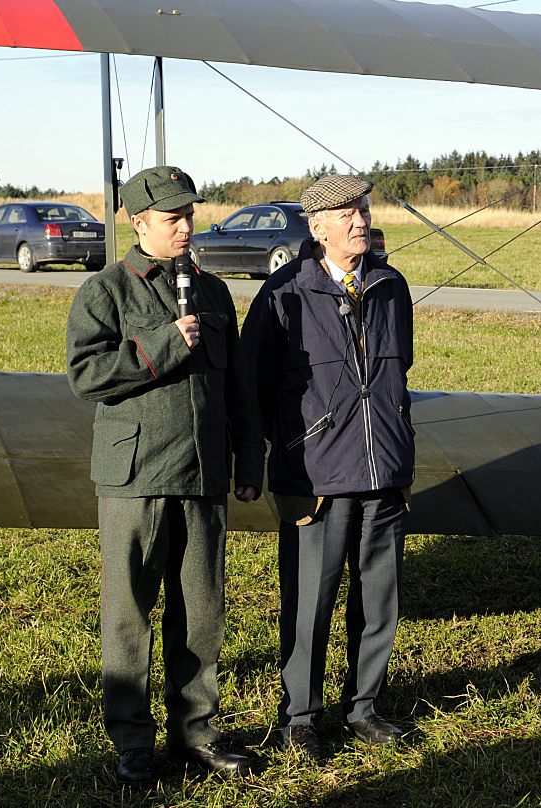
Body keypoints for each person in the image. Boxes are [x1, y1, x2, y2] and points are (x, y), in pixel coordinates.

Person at [66, 166, 264, 786]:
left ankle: (196, 733)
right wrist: (162, 344)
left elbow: (236, 387)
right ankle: (132, 742)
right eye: (172, 218)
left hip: (202, 472)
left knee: (201, 611)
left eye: (189, 216)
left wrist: (248, 459)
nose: (185, 228)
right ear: (138, 221)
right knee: (130, 610)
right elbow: (86, 374)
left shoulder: (211, 293)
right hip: (135, 477)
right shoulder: (105, 291)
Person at [240, 174, 414, 761]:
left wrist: (397, 448)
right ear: (316, 228)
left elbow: (398, 377)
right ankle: (301, 717)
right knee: (310, 602)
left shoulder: (391, 285)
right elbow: (254, 386)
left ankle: (365, 708)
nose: (358, 220)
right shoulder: (285, 293)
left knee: (379, 599)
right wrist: (295, 446)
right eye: (343, 213)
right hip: (316, 479)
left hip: (385, 472)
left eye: (362, 209)